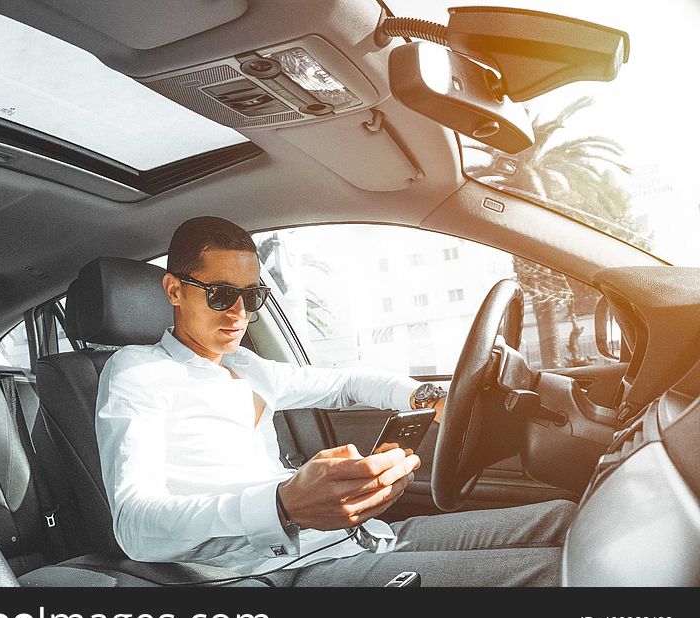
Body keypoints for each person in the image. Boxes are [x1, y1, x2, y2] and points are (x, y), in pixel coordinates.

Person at [96, 216, 575, 586]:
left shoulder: (250, 367)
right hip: (280, 572)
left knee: (563, 520)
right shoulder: (137, 372)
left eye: (252, 295)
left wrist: (427, 396)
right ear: (174, 290)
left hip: (357, 538)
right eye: (221, 295)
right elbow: (136, 527)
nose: (241, 314)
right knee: (559, 576)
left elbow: (344, 383)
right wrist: (284, 506)